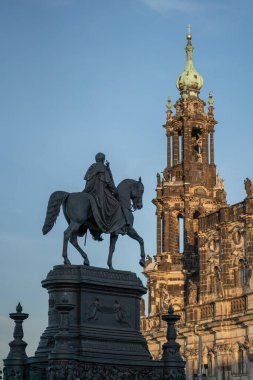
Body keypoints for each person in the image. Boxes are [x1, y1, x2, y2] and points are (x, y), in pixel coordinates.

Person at [83, 153, 124, 240]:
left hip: (89, 192)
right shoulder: (104, 169)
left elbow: (88, 182)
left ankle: (95, 232)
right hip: (100, 194)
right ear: (103, 159)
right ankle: (113, 227)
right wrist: (116, 192)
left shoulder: (91, 168)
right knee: (116, 205)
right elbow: (109, 183)